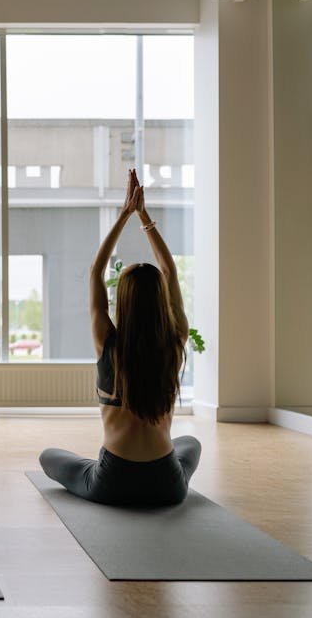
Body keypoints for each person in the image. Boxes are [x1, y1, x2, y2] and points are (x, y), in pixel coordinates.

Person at [39, 169, 200, 506]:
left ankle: (95, 470)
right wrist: (145, 218)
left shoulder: (107, 343)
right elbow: (169, 272)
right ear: (161, 302)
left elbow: (96, 272)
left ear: (122, 301)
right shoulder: (175, 342)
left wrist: (125, 212)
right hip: (167, 486)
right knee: (190, 446)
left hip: (112, 482)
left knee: (49, 456)